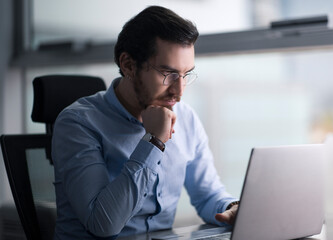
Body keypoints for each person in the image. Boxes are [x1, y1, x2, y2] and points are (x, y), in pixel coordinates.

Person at [52, 5, 239, 240]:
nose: (179, 92)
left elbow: (207, 194)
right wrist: (153, 141)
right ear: (128, 65)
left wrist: (231, 207)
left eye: (185, 75)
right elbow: (102, 224)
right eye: (167, 74)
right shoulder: (78, 123)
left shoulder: (187, 118)